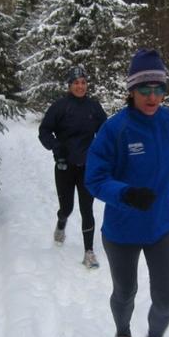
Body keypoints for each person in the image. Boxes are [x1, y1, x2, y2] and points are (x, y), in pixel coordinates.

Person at [85, 49, 169, 337]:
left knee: (167, 298)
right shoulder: (115, 129)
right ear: (132, 90)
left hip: (163, 224)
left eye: (159, 89)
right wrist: (125, 194)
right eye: (144, 89)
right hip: (122, 228)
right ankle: (123, 334)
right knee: (125, 292)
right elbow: (95, 178)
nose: (152, 97)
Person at [39, 65, 107, 269]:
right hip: (64, 166)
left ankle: (89, 253)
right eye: (76, 83)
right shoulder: (60, 106)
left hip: (87, 166)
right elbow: (44, 131)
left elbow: (106, 131)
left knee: (87, 209)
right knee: (67, 208)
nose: (80, 86)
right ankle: (61, 223)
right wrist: (56, 147)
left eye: (83, 82)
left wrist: (106, 151)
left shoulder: (94, 107)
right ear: (69, 85)